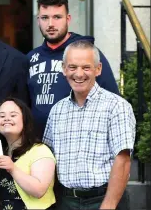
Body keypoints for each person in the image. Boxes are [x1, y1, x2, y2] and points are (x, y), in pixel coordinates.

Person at [43, 40, 135, 210]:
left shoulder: (117, 106)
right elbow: (47, 156)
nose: (79, 74)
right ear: (64, 69)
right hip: (66, 201)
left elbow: (123, 160)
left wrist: (109, 205)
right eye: (72, 67)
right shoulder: (57, 111)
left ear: (98, 69)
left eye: (86, 67)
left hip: (104, 200)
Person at [27, 0, 120, 137]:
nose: (50, 24)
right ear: (38, 20)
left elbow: (113, 99)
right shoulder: (31, 58)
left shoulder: (86, 52)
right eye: (45, 18)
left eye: (57, 17)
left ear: (68, 19)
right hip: (39, 146)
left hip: (80, 142)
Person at [0, 98, 56, 210]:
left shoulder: (40, 150)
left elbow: (39, 190)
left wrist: (13, 168)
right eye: (2, 116)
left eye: (13, 115)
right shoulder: (0, 152)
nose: (7, 119)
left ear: (25, 119)